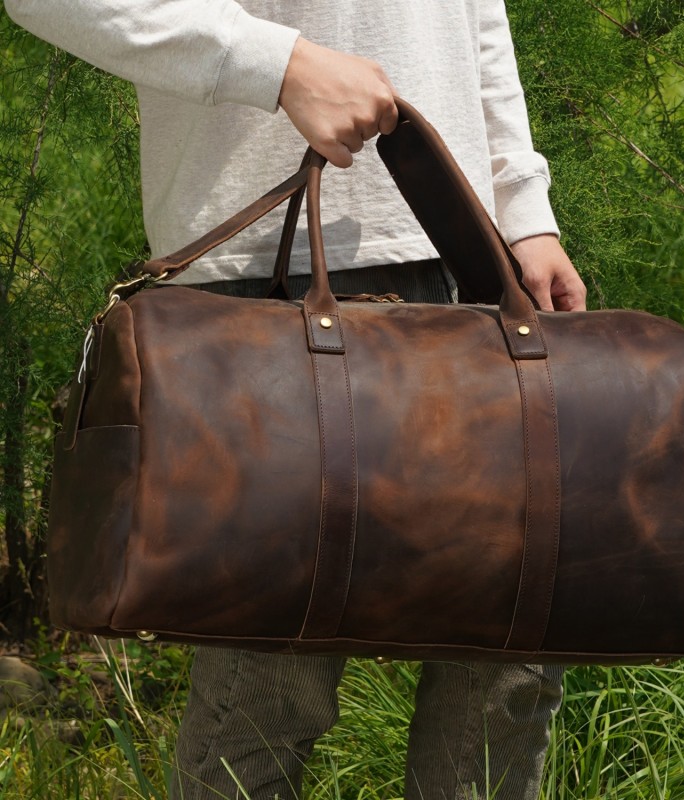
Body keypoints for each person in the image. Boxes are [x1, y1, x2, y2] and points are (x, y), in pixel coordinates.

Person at [7, 2, 587, 798]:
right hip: (264, 281)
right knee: (272, 681)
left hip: (467, 254)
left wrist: (523, 210)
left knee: (507, 665)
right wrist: (275, 64)